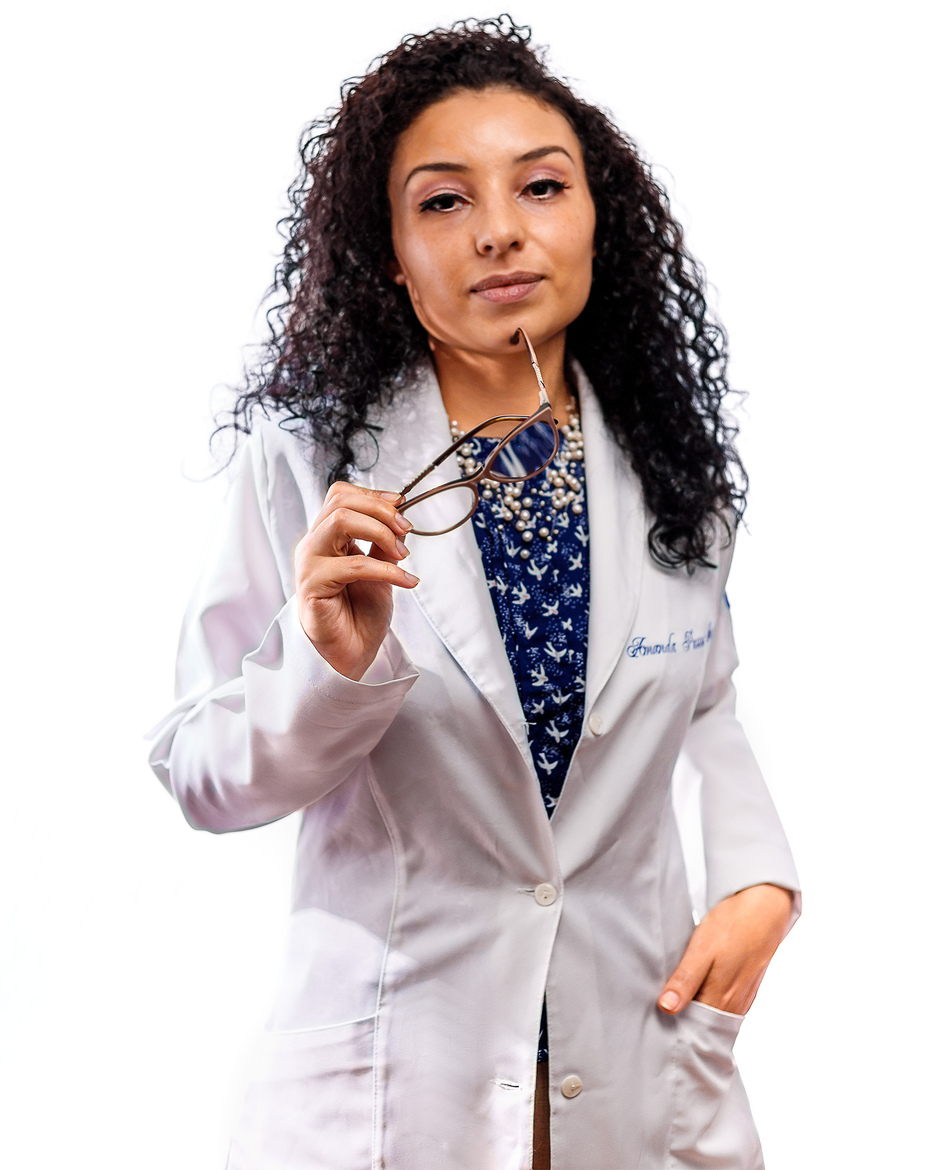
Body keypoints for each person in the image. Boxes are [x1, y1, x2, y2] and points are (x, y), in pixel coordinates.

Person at [146, 16, 800, 1170]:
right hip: (397, 1085)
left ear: (597, 216)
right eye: (444, 201)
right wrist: (325, 663)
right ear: (393, 253)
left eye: (541, 187)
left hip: (634, 1063)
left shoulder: (671, 464)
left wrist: (759, 877)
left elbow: (705, 702)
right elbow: (200, 772)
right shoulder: (310, 463)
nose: (500, 230)